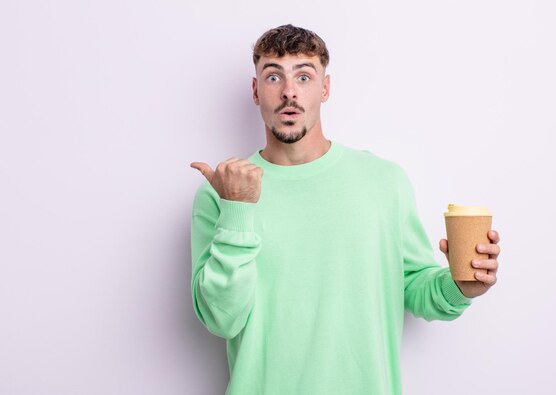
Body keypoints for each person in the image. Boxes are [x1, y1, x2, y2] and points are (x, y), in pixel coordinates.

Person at [189, 24, 501, 395]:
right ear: (256, 91)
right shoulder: (222, 192)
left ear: (325, 88)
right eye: (274, 76)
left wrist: (459, 287)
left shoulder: (383, 181)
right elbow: (222, 319)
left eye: (304, 76)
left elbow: (416, 287)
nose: (289, 91)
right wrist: (237, 210)